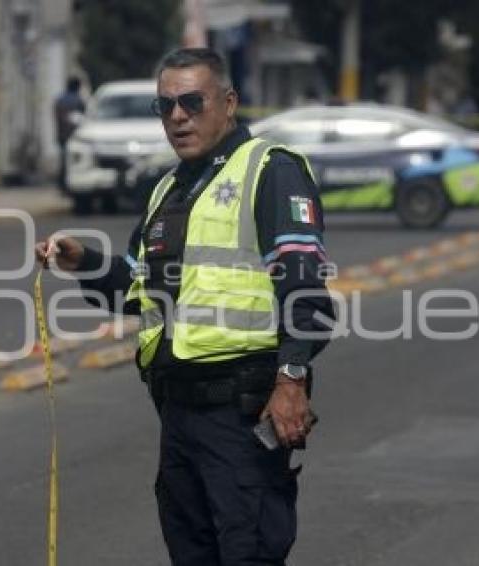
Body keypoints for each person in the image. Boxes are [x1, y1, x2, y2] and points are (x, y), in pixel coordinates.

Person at [37, 48, 334, 565]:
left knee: (248, 552)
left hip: (241, 411)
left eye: (192, 102)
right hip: (179, 414)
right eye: (165, 105)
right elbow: (137, 290)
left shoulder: (268, 170)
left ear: (228, 103)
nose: (177, 117)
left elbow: (305, 287)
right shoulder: (170, 190)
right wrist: (83, 261)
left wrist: (292, 379)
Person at [53, 76, 86, 190]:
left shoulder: (60, 99)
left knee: (64, 161)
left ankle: (62, 185)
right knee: (73, 163)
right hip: (76, 136)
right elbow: (83, 118)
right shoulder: (78, 100)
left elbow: (57, 116)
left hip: (62, 135)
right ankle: (69, 185)